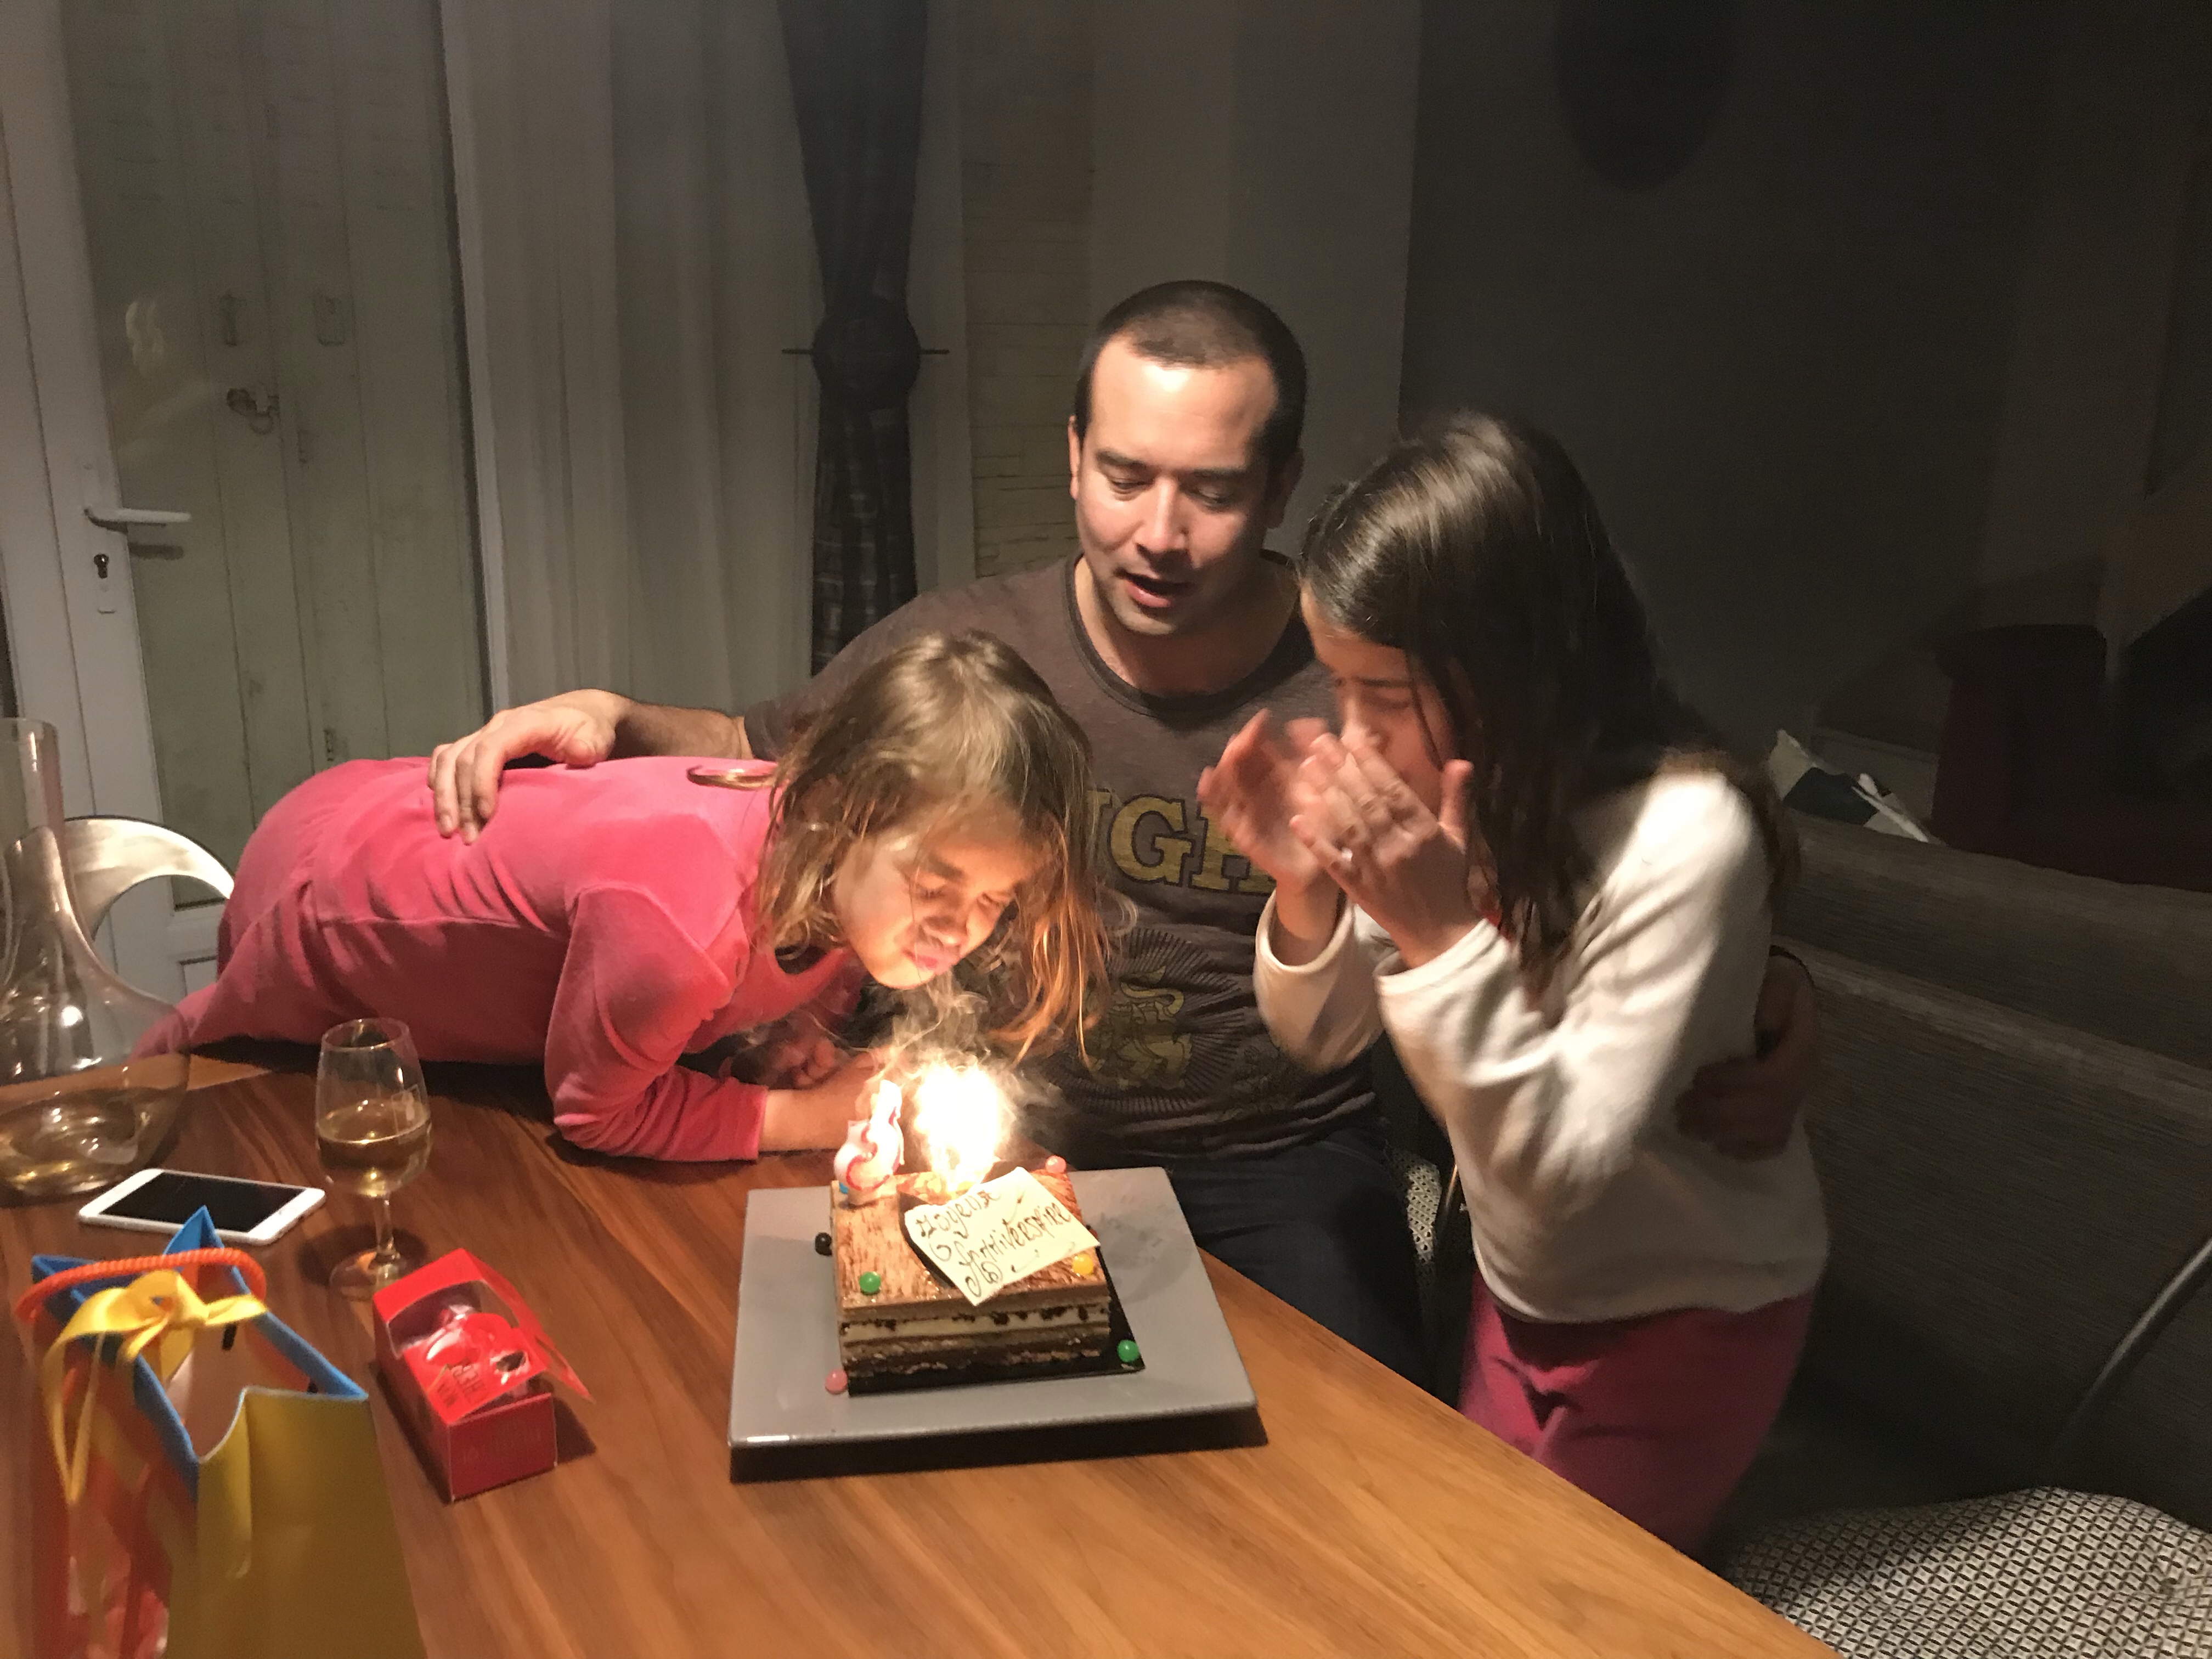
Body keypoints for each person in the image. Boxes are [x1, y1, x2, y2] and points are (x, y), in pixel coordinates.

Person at [422, 280, 1816, 1382]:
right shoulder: (972, 646)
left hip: (1278, 1162)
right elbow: (766, 748)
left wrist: (1766, 995)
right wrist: (617, 711)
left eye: (1211, 489)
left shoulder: (1373, 674)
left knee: (1364, 1466)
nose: (1159, 531)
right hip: (1010, 1135)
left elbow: (1576, 835)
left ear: (1281, 485)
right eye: (1127, 474)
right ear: (1074, 459)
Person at [1206, 414, 1825, 1553]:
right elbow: (1321, 1035)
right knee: (1462, 1549)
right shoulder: (1467, 791)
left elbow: (1561, 1175)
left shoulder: (1687, 833)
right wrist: (1306, 894)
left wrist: (1441, 934)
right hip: (1520, 1288)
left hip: (1684, 1308)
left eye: (1386, 693)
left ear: (1514, 667)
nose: (1355, 735)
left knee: (1568, 1596)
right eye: (1337, 685)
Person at [150, 632, 1110, 1161]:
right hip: (322, 901)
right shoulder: (682, 927)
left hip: (380, 832)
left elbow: (827, 947)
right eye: (937, 885)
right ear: (834, 808)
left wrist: (801, 1023)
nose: (960, 928)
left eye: (996, 899)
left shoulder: (830, 864)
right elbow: (595, 1111)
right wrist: (804, 1122)